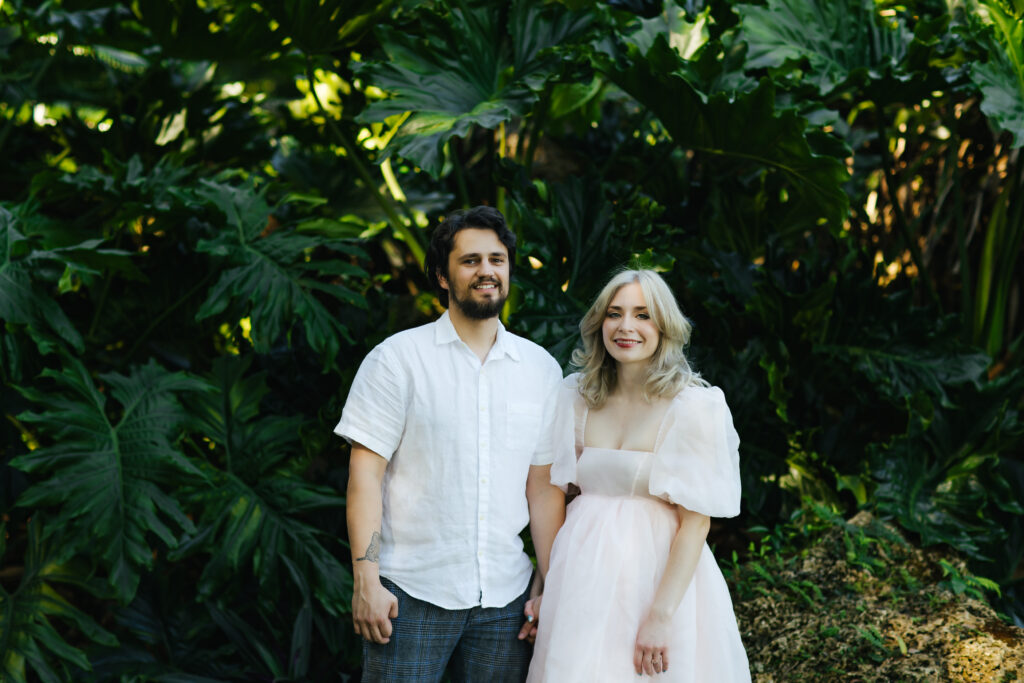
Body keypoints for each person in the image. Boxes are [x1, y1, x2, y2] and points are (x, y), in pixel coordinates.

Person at [338, 205, 566, 682]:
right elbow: (365, 477)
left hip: (507, 601)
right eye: (471, 261)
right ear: (442, 276)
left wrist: (549, 583)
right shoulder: (397, 360)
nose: (487, 271)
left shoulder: (541, 369)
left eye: (497, 260)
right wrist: (366, 578)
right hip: (411, 594)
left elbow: (542, 487)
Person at [525, 269, 751, 682]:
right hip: (581, 574)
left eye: (643, 315)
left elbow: (696, 521)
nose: (626, 326)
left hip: (660, 580)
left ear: (664, 326)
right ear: (600, 323)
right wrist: (549, 582)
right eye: (615, 313)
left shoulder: (694, 407)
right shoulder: (574, 395)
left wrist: (661, 617)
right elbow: (546, 488)